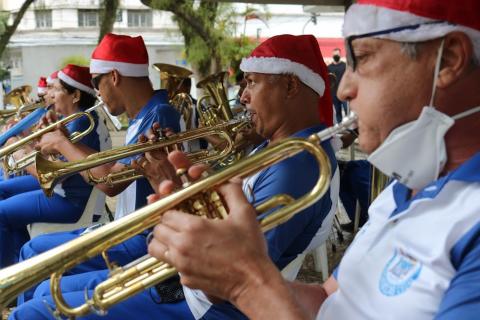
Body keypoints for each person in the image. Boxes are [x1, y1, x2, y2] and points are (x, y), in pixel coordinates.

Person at [145, 1, 480, 319]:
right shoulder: (401, 193)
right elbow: (325, 300)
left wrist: (245, 280)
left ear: (449, 59)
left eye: (361, 59)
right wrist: (226, 264)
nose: (344, 89)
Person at [11, 34, 340, 320]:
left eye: (252, 82)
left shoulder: (297, 164)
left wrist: (167, 187)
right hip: (183, 280)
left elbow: (234, 268)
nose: (242, 96)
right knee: (41, 290)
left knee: (34, 308)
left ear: (291, 85)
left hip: (200, 304)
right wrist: (175, 183)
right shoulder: (281, 150)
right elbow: (227, 224)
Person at [12, 33, 181, 307]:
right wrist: (66, 142)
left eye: (96, 82)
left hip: (141, 238)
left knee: (34, 257)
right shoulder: (145, 114)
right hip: (126, 230)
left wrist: (63, 144)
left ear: (114, 76)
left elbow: (110, 181)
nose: (96, 92)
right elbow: (113, 164)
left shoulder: (159, 114)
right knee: (32, 255)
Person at [0, 64, 108, 268]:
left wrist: (17, 149)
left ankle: (8, 280)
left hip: (70, 200)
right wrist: (32, 140)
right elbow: (49, 160)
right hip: (63, 193)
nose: (49, 93)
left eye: (56, 89)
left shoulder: (81, 123)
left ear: (75, 95)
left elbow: (51, 174)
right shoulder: (76, 120)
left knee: (1, 212)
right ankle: (15, 264)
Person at [328, 48, 348, 124]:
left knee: (347, 111)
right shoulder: (329, 68)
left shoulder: (345, 66)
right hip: (334, 94)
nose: (336, 56)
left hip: (344, 93)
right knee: (338, 112)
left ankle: (348, 129)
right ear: (332, 55)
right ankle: (340, 128)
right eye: (335, 54)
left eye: (337, 54)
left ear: (340, 55)